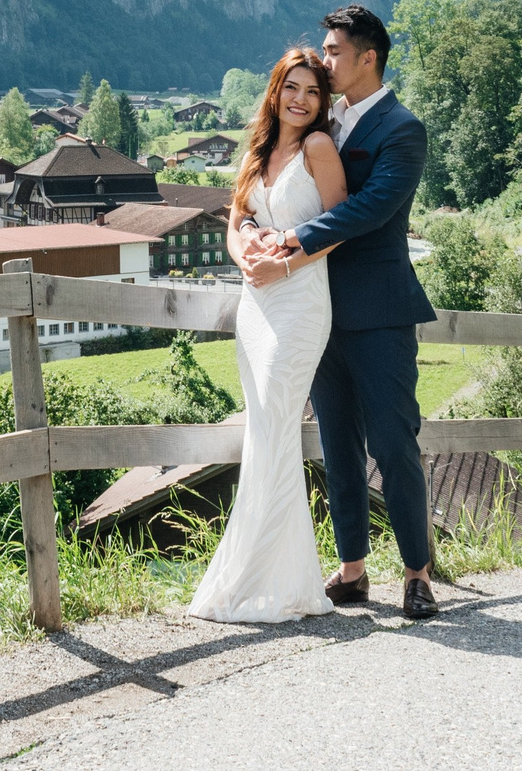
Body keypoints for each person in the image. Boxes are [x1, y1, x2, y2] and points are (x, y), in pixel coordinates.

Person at [253, 4, 439, 619]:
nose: (325, 60)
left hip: (381, 311)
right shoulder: (326, 120)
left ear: (367, 59)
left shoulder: (402, 129)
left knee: (393, 442)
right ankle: (353, 570)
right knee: (337, 444)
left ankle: (417, 573)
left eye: (333, 52)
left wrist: (292, 241)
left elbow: (373, 208)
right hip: (319, 309)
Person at [188, 46, 343, 622]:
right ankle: (294, 581)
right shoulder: (256, 152)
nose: (301, 99)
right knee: (264, 432)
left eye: (312, 90)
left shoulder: (318, 148)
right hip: (254, 304)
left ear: (321, 101)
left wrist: (285, 261)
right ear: (275, 91)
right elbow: (233, 222)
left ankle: (248, 577)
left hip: (301, 301)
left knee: (278, 422)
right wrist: (246, 254)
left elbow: (338, 227)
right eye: (292, 88)